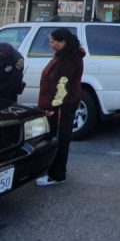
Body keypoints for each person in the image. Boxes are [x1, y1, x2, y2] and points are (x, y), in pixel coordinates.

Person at [35, 28, 86, 186]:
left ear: (63, 42)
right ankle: (52, 170)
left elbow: (61, 87)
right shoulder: (65, 55)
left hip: (63, 106)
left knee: (59, 139)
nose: (51, 45)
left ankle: (56, 174)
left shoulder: (68, 60)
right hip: (62, 103)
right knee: (57, 138)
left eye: (53, 42)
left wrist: (52, 106)